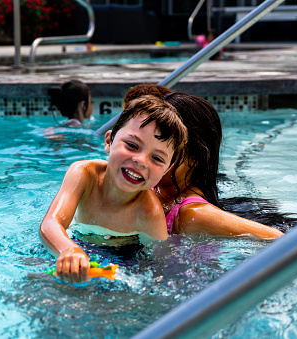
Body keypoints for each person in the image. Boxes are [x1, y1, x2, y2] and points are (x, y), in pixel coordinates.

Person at [39, 95, 188, 284]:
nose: (140, 161)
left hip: (124, 262)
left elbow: (161, 263)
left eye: (157, 159)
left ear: (166, 170)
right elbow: (51, 223)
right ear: (108, 141)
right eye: (132, 145)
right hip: (75, 244)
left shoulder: (148, 213)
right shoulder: (85, 174)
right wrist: (69, 250)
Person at [154, 92, 284, 239]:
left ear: (194, 156)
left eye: (161, 150)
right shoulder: (155, 189)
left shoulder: (194, 214)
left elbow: (281, 240)